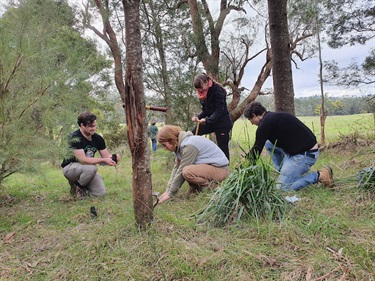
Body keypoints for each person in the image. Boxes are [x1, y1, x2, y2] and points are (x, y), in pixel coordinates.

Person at [243, 101, 333, 191]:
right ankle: (285, 173)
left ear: (254, 115)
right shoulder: (272, 117)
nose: (251, 123)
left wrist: (245, 163)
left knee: (281, 189)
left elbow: (257, 150)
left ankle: (319, 176)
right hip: (297, 150)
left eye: (250, 120)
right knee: (268, 143)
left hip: (305, 154)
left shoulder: (265, 124)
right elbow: (259, 145)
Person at [157, 125, 230, 204]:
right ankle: (196, 191)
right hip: (209, 168)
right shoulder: (179, 146)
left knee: (187, 171)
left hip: (220, 170)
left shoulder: (189, 146)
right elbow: (176, 169)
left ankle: (215, 188)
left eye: (164, 145)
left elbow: (181, 171)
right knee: (188, 170)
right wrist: (168, 190)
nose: (164, 148)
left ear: (171, 140)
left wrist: (171, 193)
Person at [61, 112, 120, 198]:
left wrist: (113, 158)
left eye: (95, 126)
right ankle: (79, 189)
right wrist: (103, 160)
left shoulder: (98, 138)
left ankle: (79, 184)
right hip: (70, 168)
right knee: (92, 168)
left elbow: (106, 156)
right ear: (82, 125)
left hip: (86, 169)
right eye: (91, 126)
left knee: (100, 193)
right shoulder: (75, 138)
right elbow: (83, 160)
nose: (93, 129)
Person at [191, 73, 233, 160]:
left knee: (223, 148)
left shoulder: (218, 91)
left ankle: (225, 170)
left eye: (201, 88)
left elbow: (219, 110)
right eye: (198, 89)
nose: (200, 91)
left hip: (222, 123)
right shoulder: (203, 94)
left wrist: (207, 120)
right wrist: (198, 117)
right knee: (193, 133)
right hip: (211, 122)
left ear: (207, 82)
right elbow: (206, 110)